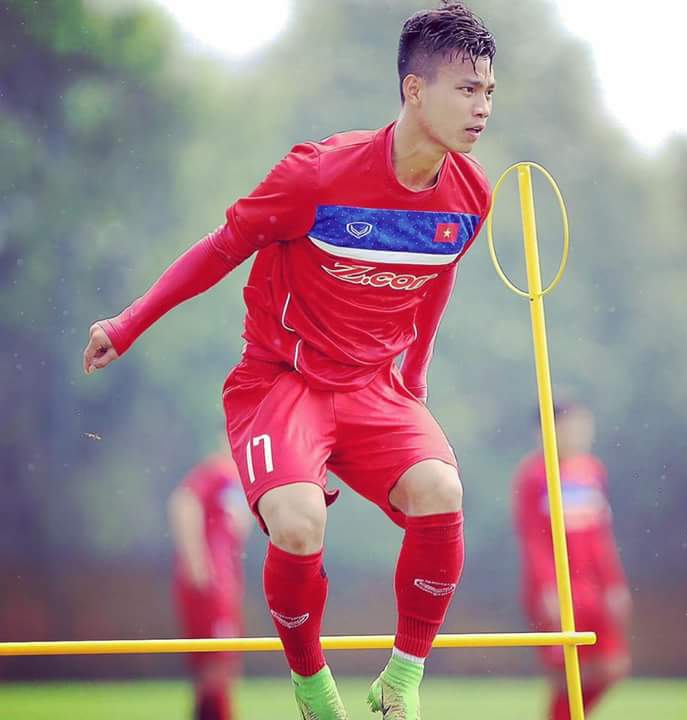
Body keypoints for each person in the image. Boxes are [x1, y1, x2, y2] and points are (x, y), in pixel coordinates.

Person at [82, 3, 496, 717]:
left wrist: (415, 375)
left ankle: (401, 682)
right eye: (466, 89)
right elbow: (221, 248)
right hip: (283, 381)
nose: (482, 107)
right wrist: (128, 324)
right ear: (414, 90)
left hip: (374, 387)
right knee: (299, 523)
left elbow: (437, 278)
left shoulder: (471, 195)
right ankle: (311, 687)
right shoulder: (316, 174)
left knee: (443, 491)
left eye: (489, 91)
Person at [512, 402, 632, 720]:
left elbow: (602, 536)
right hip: (559, 587)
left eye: (583, 427)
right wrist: (547, 588)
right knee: (568, 676)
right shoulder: (534, 475)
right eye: (571, 427)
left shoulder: (592, 471)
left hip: (594, 587)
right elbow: (532, 539)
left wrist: (614, 584)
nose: (579, 434)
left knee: (613, 667)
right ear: (547, 432)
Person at [169, 444, 252, 720]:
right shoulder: (221, 471)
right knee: (219, 662)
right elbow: (184, 501)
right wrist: (196, 561)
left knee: (215, 665)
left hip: (222, 582)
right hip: (213, 583)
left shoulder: (239, 480)